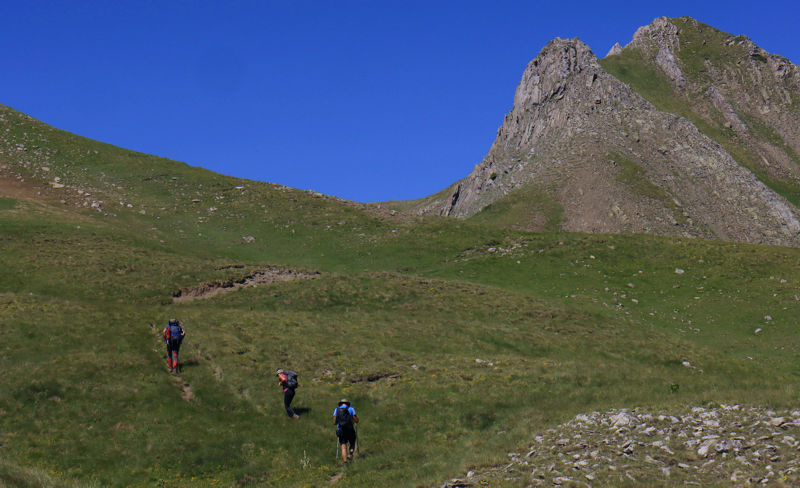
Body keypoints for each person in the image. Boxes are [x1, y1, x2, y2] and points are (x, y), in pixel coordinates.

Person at [333, 398, 359, 463]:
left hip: (341, 430)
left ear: (340, 403)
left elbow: (334, 422)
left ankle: (345, 463)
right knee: (352, 442)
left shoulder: (337, 410)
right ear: (347, 403)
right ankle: (350, 453)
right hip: (350, 429)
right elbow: (356, 420)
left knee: (343, 447)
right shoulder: (351, 409)